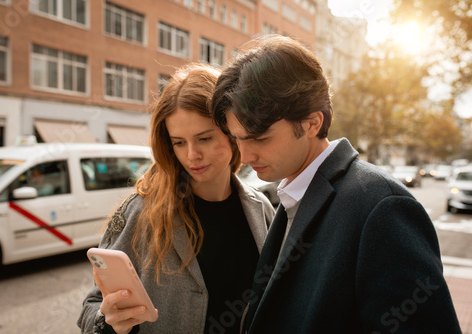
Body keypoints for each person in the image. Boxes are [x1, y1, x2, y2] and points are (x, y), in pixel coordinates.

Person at [211, 34, 461, 333]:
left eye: (260, 139)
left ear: (312, 123)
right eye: (237, 139)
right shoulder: (294, 193)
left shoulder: (382, 207)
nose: (245, 155)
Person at [77, 63, 275, 334]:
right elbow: (92, 308)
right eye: (179, 142)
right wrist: (109, 321)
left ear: (233, 134)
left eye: (204, 138)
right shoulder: (139, 212)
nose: (192, 155)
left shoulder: (261, 209)